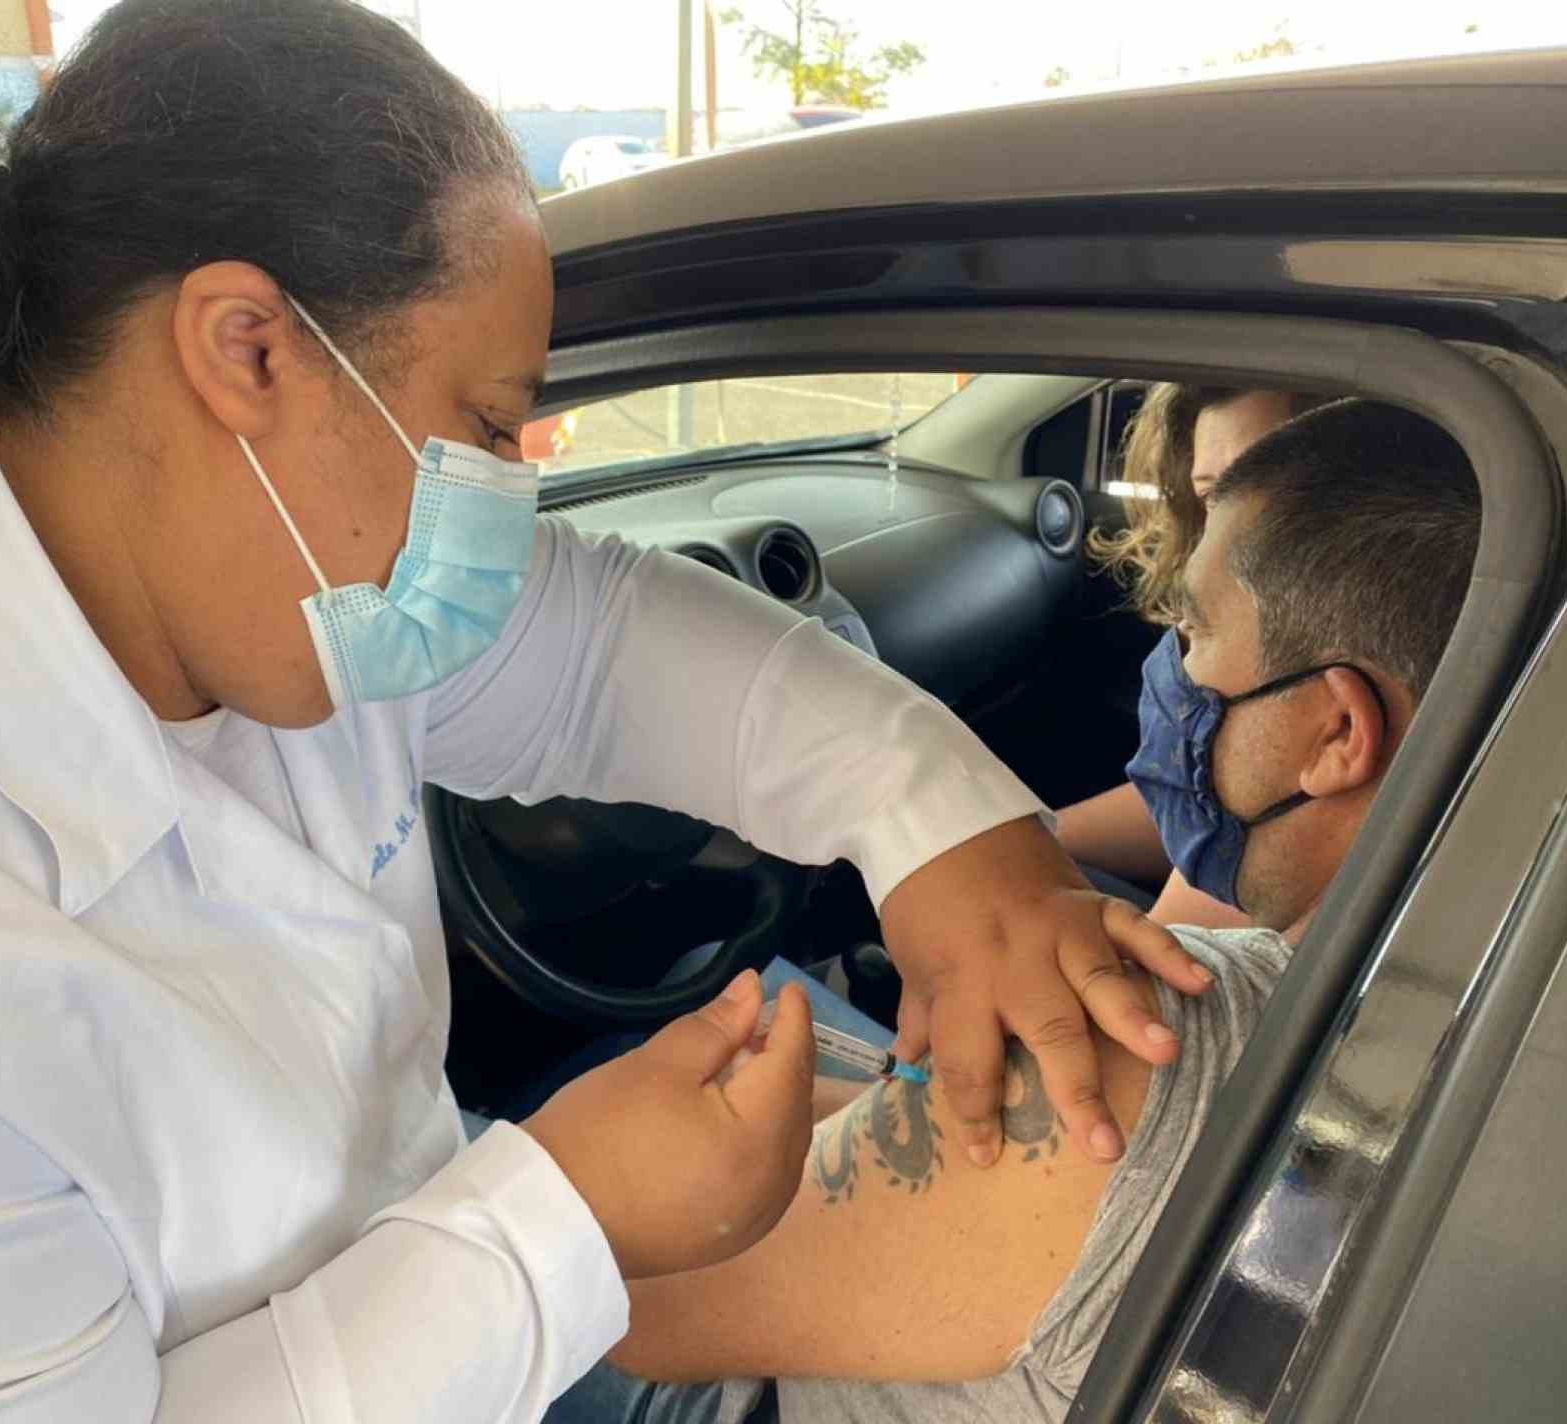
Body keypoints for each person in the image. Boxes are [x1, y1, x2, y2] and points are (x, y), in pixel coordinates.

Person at [0, 3, 1211, 1420]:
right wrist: (557, 1222)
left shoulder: (236, 540)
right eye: (488, 426)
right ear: (246, 351)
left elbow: (602, 647)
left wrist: (941, 823)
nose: (515, 492)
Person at [591, 400, 1480, 1423]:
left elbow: (625, 1311)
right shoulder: (1461, 1006)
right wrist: (891, 1107)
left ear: (1334, 731)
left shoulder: (1141, 1044)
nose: (1167, 673)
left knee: (620, 1039)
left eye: (1191, 634)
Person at [1058, 383, 1328, 928]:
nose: (1223, 537)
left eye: (1273, 494)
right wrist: (1034, 839)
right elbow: (1202, 794)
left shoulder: (1306, 670)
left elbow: (1176, 967)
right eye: (1212, 497)